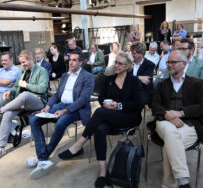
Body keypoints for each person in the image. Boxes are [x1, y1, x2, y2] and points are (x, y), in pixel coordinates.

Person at [58, 52, 145, 188]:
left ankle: (79, 144)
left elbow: (139, 103)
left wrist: (119, 105)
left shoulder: (133, 81)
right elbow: (100, 97)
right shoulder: (109, 79)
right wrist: (107, 104)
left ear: (128, 66)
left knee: (99, 112)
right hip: (109, 114)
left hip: (129, 117)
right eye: (115, 62)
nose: (116, 65)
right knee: (99, 129)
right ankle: (103, 172)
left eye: (120, 63)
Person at [25, 50, 94, 179]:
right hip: (60, 105)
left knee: (60, 124)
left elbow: (83, 99)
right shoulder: (65, 75)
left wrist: (66, 111)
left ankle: (42, 157)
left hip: (76, 109)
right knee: (34, 120)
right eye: (70, 59)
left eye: (74, 60)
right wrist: (48, 106)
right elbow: (56, 95)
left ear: (81, 63)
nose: (70, 62)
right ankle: (43, 158)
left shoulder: (88, 77)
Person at [151, 50, 203, 188]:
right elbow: (154, 106)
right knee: (171, 134)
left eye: (173, 62)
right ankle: (184, 181)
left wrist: (181, 113)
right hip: (164, 123)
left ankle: (168, 185)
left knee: (170, 147)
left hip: (189, 124)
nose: (170, 65)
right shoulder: (162, 84)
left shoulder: (197, 83)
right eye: (168, 62)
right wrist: (166, 115)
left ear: (184, 64)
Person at [0, 50, 49, 163]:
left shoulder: (42, 71)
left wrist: (27, 85)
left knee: (25, 94)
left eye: (24, 62)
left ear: (30, 59)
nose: (22, 65)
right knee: (7, 115)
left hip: (37, 101)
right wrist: (10, 91)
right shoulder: (22, 71)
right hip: (21, 102)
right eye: (21, 63)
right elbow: (17, 87)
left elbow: (42, 89)